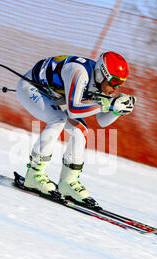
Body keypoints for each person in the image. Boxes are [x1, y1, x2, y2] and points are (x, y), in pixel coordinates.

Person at [15, 52, 136, 207]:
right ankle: (34, 174)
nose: (116, 87)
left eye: (121, 83)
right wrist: (109, 104)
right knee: (58, 119)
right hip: (31, 87)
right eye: (114, 81)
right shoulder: (79, 72)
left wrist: (119, 110)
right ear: (101, 73)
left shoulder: (102, 83)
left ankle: (68, 182)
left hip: (55, 95)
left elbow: (102, 121)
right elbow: (73, 109)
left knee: (80, 131)